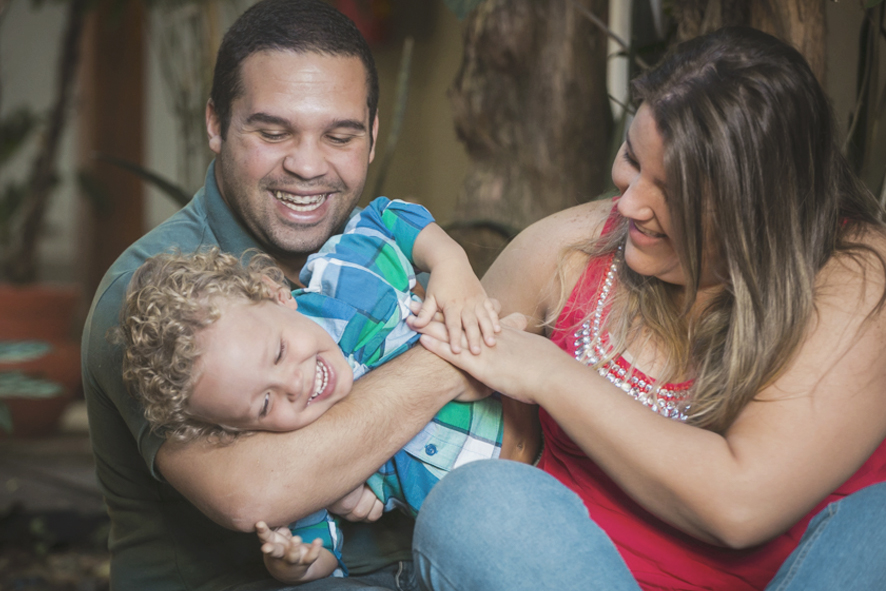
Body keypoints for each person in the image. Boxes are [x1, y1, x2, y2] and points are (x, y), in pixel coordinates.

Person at [81, 1, 538, 589]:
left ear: (372, 138)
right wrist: (459, 359)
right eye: (273, 132)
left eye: (340, 136)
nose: (306, 165)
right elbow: (253, 493)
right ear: (216, 124)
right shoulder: (154, 303)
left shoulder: (366, 253)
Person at [411, 26, 886, 591]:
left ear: (760, 211)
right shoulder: (571, 249)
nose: (630, 202)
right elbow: (411, 380)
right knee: (481, 505)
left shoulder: (855, 272)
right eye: (632, 159)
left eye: (673, 189)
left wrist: (549, 372)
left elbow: (740, 503)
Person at [117, 197, 507, 584]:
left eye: (279, 352)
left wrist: (450, 263)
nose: (293, 384)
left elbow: (389, 215)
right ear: (240, 431)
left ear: (276, 294)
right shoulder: (301, 453)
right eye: (264, 403)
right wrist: (293, 562)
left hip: (540, 414)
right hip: (493, 522)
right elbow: (319, 552)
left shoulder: (348, 281)